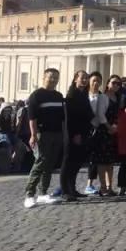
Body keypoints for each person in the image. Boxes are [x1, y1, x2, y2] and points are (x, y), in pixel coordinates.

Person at [24, 68, 64, 208]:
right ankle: (29, 194)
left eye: (56, 77)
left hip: (57, 133)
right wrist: (33, 135)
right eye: (50, 77)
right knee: (40, 162)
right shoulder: (36, 95)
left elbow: (62, 117)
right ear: (44, 77)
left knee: (50, 164)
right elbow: (32, 118)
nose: (53, 80)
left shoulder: (59, 96)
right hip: (43, 133)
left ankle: (42, 193)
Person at [60, 70, 93, 200]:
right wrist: (76, 134)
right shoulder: (71, 96)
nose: (84, 80)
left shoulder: (84, 95)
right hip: (72, 133)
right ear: (75, 79)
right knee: (67, 162)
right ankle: (65, 190)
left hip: (83, 132)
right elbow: (72, 118)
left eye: (86, 78)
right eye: (82, 78)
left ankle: (72, 189)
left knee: (76, 163)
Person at [89, 73, 121, 196]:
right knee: (102, 161)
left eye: (118, 83)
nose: (116, 85)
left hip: (113, 130)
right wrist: (109, 127)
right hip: (104, 131)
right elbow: (100, 114)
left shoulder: (117, 97)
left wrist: (115, 127)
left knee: (110, 161)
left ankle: (109, 186)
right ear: (107, 84)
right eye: (113, 83)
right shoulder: (103, 97)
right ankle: (103, 187)